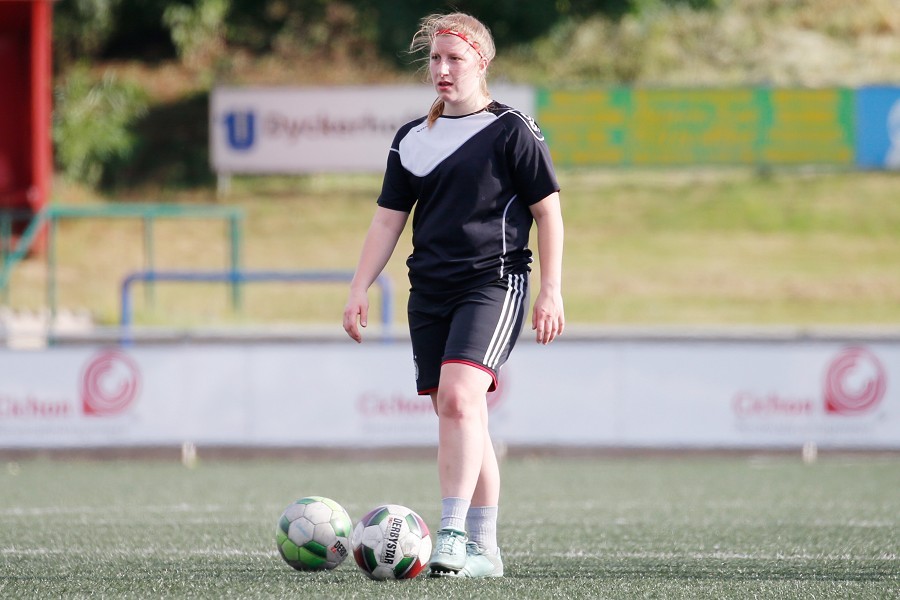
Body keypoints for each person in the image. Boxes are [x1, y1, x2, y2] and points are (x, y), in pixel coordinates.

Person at [342, 11, 564, 578]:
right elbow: (387, 222)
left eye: (454, 59)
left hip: (495, 282)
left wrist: (550, 291)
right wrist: (358, 287)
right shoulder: (413, 139)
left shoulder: (513, 129)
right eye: (435, 59)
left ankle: (452, 535)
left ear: (481, 64)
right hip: (431, 291)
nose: (442, 69)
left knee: (463, 399)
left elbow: (549, 213)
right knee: (457, 411)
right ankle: (486, 551)